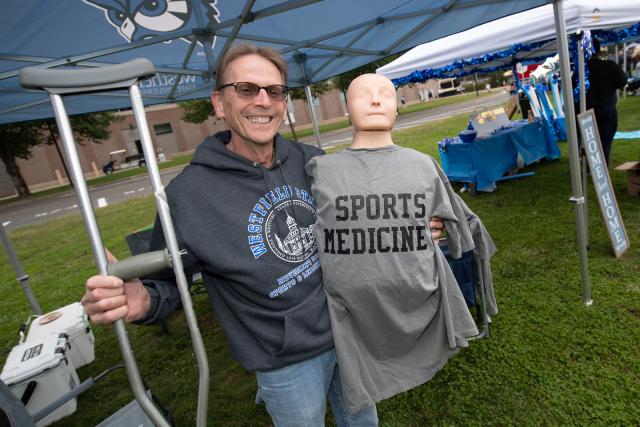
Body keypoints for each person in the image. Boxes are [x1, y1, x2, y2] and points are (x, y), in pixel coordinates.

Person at [81, 45, 443, 426]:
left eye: (274, 91)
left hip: (347, 325)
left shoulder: (313, 161)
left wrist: (414, 227)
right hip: (285, 357)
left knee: (363, 421)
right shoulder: (188, 196)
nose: (263, 101)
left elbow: (358, 224)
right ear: (219, 103)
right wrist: (143, 301)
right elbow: (168, 284)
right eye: (246, 89)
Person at [305, 74, 480, 413]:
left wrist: (447, 237)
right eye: (363, 95)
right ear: (346, 110)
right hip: (346, 313)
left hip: (415, 300)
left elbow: (457, 225)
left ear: (397, 108)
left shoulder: (422, 165)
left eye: (385, 93)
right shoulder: (319, 171)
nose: (375, 100)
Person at [586, 38, 628, 166]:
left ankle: (592, 166)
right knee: (605, 139)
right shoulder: (609, 65)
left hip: (587, 109)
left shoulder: (583, 69)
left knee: (590, 140)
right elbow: (622, 81)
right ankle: (601, 167)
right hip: (606, 107)